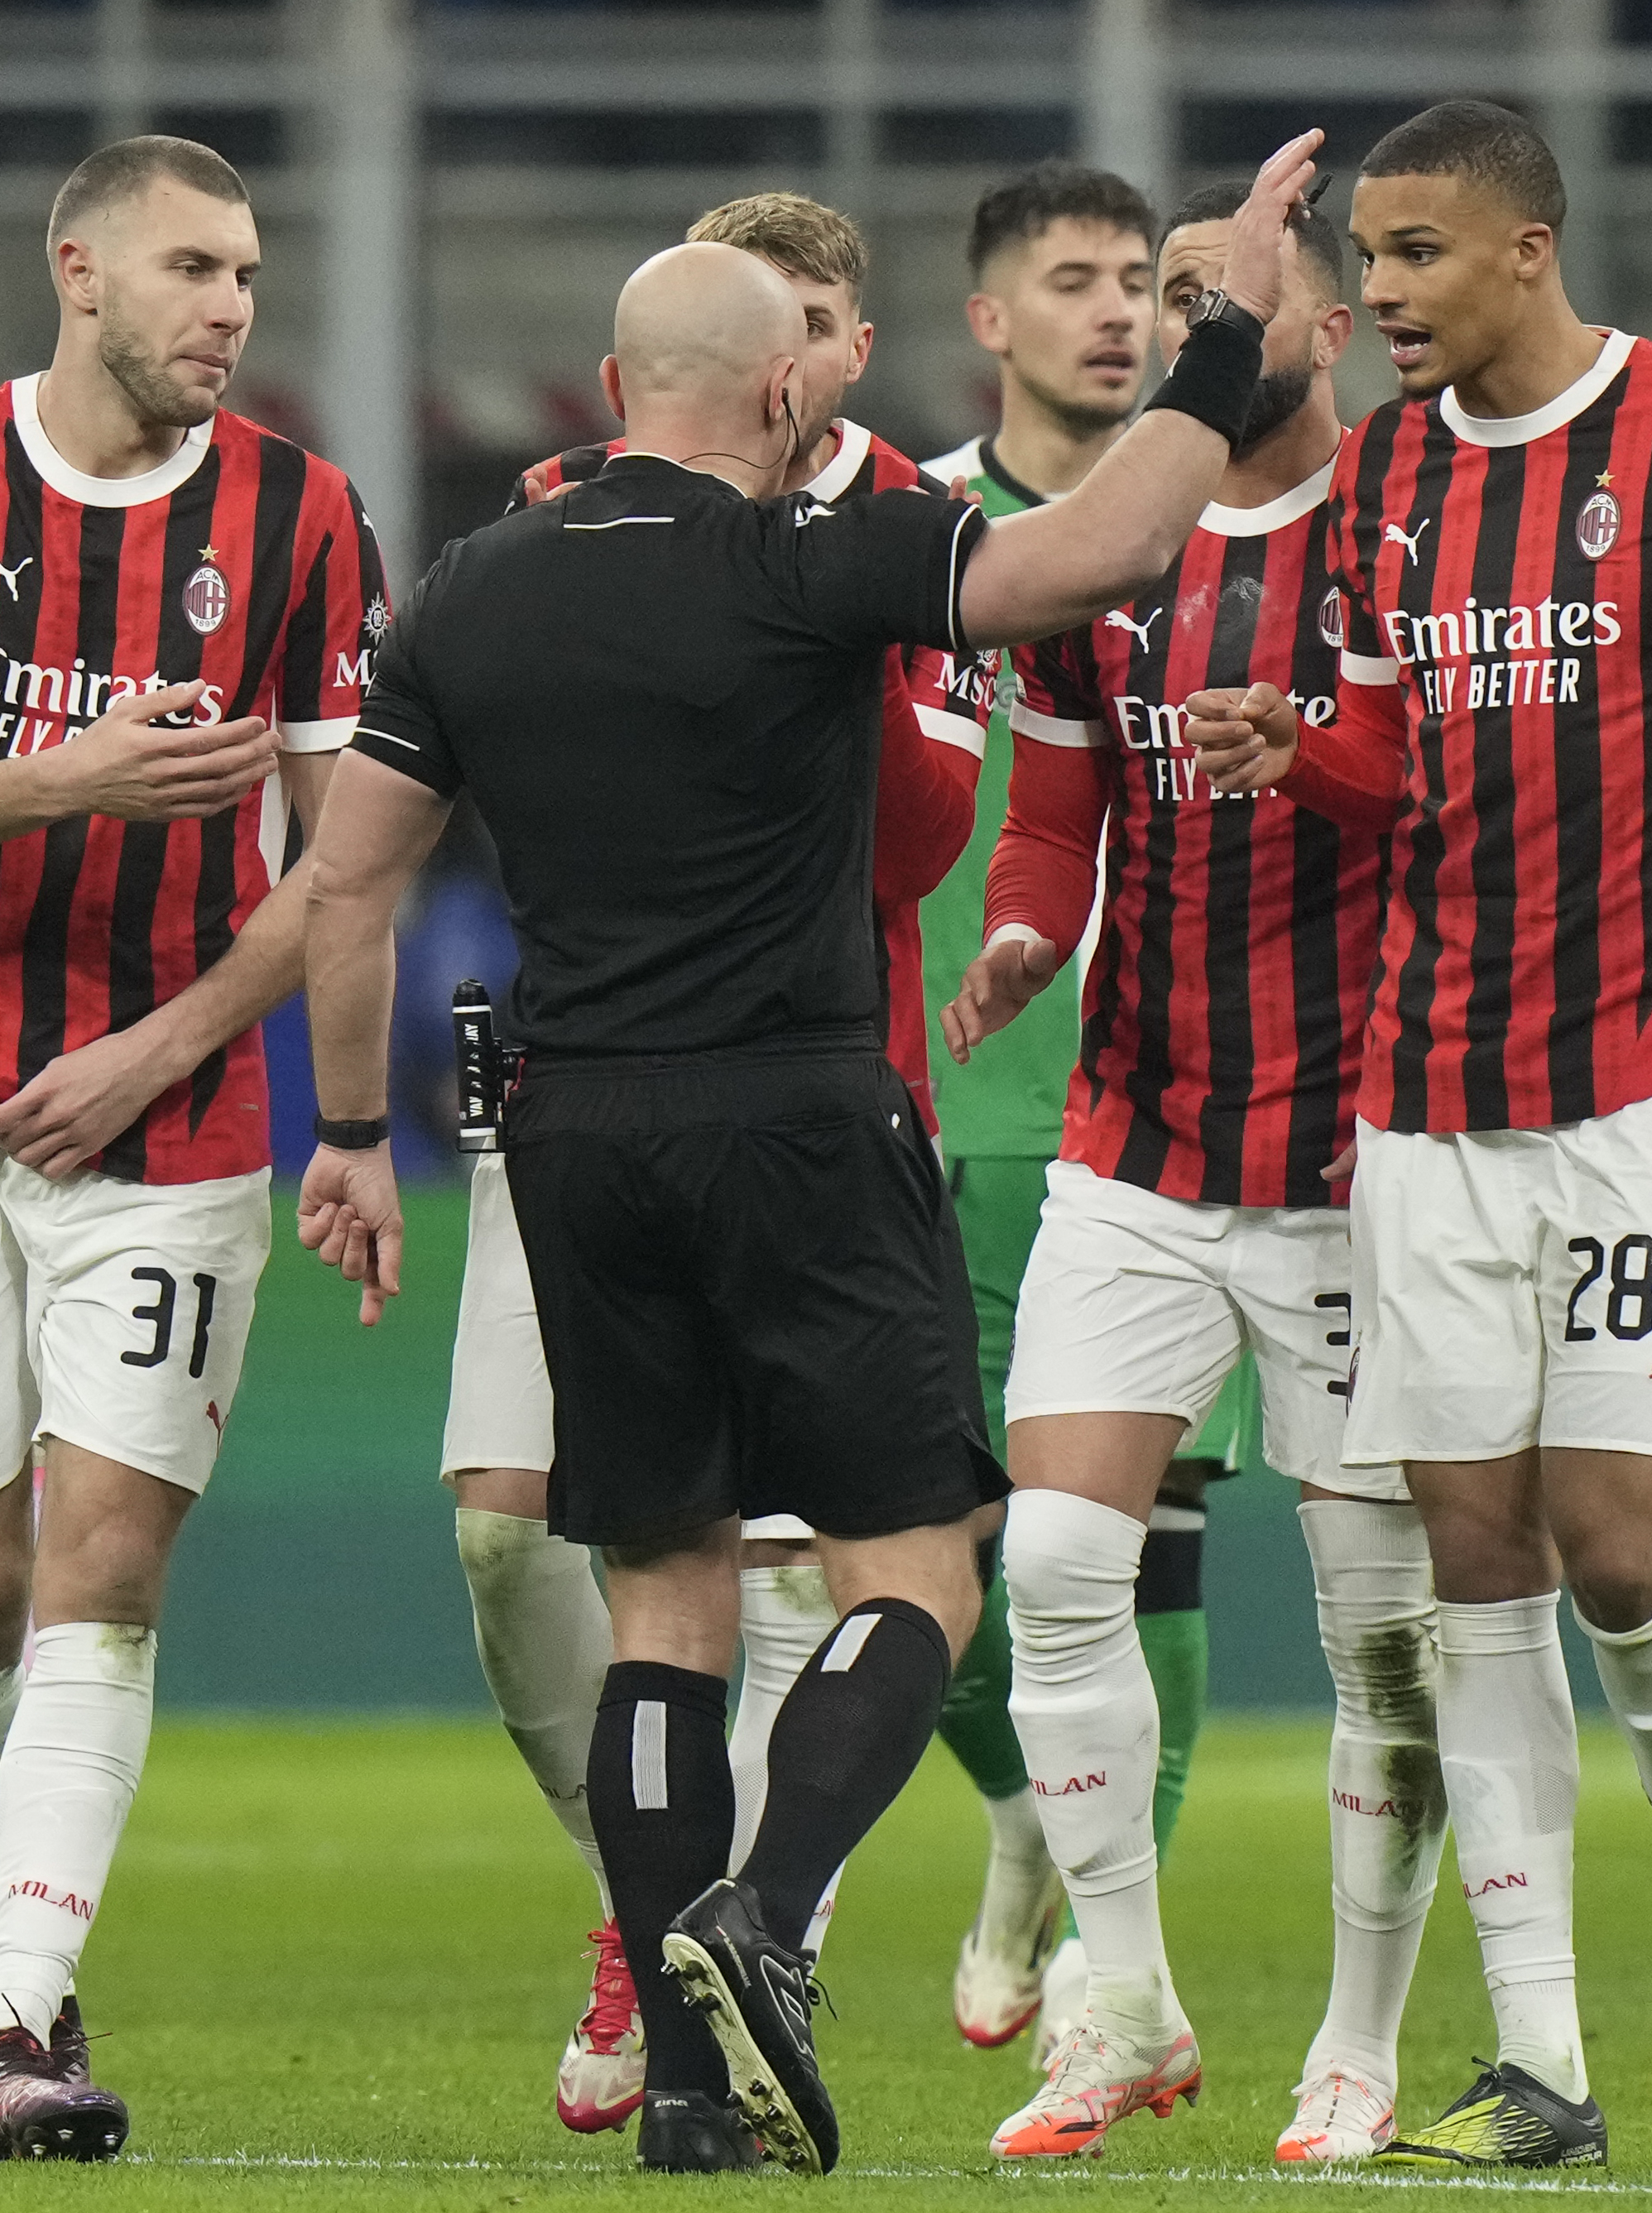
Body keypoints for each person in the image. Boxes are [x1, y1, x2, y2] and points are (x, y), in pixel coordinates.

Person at [293, 138, 1326, 2175]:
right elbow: (1093, 558)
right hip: (790, 1108)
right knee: (922, 1575)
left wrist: (342, 1124)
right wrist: (1216, 347)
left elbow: (344, 892)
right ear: (784, 395)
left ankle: (690, 2096)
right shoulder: (810, 558)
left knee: (665, 1597)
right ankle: (757, 1924)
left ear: (607, 392)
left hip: (570, 1129)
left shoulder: (471, 588)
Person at [1193, 98, 1652, 2170]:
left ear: (1525, 248)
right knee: (1464, 1563)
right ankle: (1543, 2067)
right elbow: (1406, 748)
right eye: (1363, 257)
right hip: (1432, 1088)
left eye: (1408, 255)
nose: (1374, 293)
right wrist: (1301, 749)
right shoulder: (1387, 474)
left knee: (1619, 1541)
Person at [0, 135, 385, 2160]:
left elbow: (348, 859)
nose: (230, 307)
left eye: (249, 275)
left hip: (172, 1120)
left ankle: (13, 2023)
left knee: (102, 1564)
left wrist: (169, 1044)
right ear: (78, 269)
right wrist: (75, 777)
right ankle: (14, 1984)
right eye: (195, 268)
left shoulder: (304, 517)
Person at [436, 190, 987, 2143]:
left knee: (747, 1578)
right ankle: (682, 1926)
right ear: (741, 356)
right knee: (550, 1543)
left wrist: (818, 655)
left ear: (845, 348)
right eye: (795, 315)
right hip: (608, 1089)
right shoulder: (555, 514)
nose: (822, 346)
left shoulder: (896, 538)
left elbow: (922, 838)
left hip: (789, 1085)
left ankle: (737, 1952)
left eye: (845, 314)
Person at [936, 184, 1439, 2165]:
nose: (1171, 330)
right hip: (1137, 1134)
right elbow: (1055, 813)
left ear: (1318, 336)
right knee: (1054, 1560)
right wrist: (1019, 940)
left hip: (1351, 1155)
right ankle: (1122, 1996)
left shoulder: (1406, 535)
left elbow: (1447, 787)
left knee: (1372, 1630)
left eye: (1218, 299)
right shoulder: (1109, 560)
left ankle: (1361, 2037)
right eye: (1163, 299)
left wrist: (1302, 750)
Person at [915, 161, 1233, 2062]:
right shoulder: (903, 535)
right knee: (918, 1560)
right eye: (1076, 281)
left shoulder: (1236, 533)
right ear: (990, 320)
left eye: (1143, 282)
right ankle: (1032, 1808)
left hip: (1171, 1116)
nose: (1119, 313)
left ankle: (1114, 1982)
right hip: (936, 1102)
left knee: (1144, 1542)